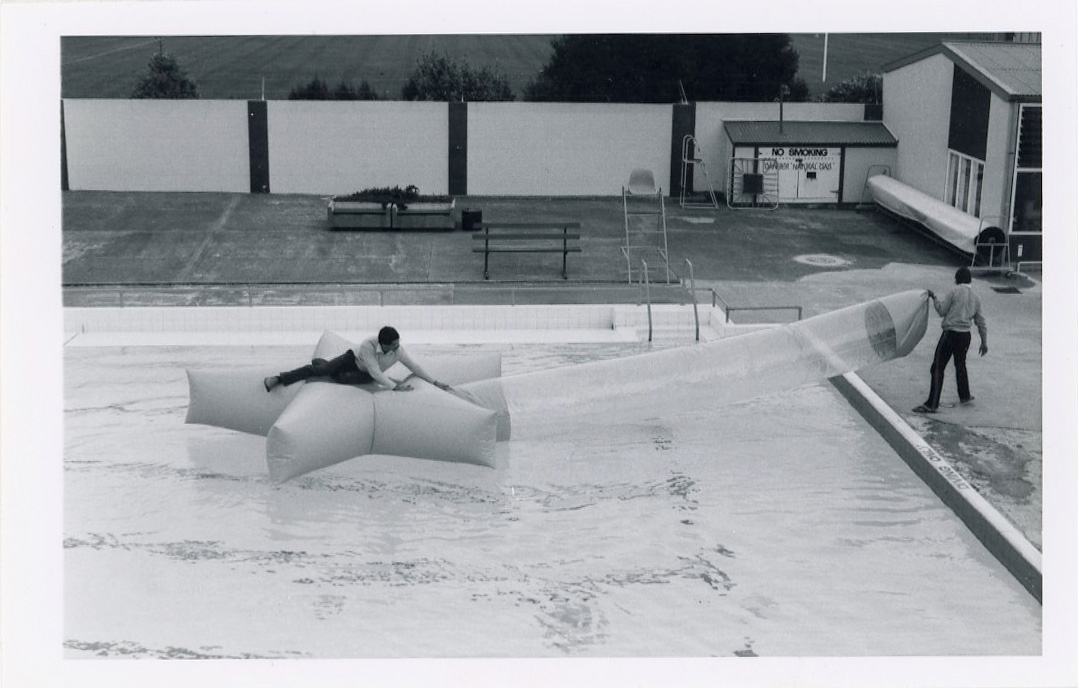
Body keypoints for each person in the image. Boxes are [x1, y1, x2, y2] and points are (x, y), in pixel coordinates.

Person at [263, 326, 451, 393]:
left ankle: (324, 364)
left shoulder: (397, 351)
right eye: (394, 344)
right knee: (322, 372)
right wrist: (396, 387)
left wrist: (435, 382)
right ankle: (279, 379)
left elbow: (414, 366)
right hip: (352, 360)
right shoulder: (367, 346)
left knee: (344, 379)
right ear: (383, 344)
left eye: (398, 343)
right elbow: (376, 371)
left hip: (366, 374)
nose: (397, 347)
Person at [913, 266, 988, 413]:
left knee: (938, 367)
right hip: (965, 336)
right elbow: (981, 322)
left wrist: (934, 298)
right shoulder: (976, 297)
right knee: (960, 364)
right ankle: (965, 396)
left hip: (950, 334)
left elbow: (941, 311)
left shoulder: (954, 292)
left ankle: (932, 404)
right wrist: (984, 342)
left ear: (957, 280)